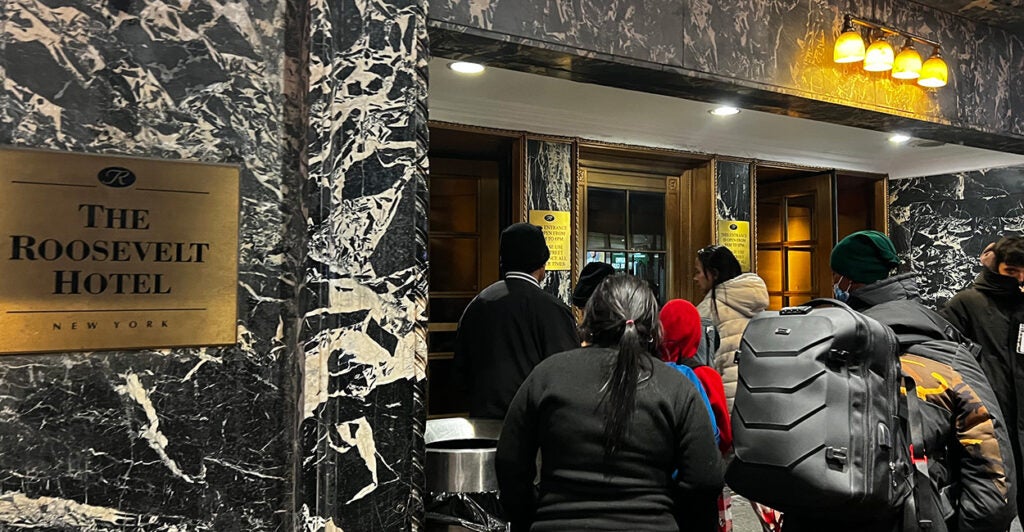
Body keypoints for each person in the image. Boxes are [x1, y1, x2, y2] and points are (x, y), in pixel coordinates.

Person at [781, 230, 1014, 531]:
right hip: (912, 515)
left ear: (849, 281)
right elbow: (992, 468)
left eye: (837, 276)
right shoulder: (944, 352)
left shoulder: (824, 344)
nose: (835, 285)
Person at [496, 274, 724, 532]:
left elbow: (510, 463)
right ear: (651, 327)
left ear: (590, 319)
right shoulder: (677, 386)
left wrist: (530, 517)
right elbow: (705, 479)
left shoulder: (547, 375)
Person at [453, 222, 579, 419]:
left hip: (482, 420)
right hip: (531, 426)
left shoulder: (478, 303)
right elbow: (567, 374)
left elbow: (460, 370)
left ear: (503, 260)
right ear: (542, 263)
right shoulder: (553, 309)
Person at [941, 235, 1024, 525]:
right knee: (994, 504)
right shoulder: (966, 303)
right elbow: (946, 358)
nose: (1020, 278)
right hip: (986, 418)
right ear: (996, 266)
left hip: (1021, 414)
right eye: (1011, 271)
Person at [694, 244, 769, 410]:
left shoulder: (707, 311)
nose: (696, 278)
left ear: (714, 274)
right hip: (760, 394)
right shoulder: (753, 301)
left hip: (724, 400)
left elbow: (702, 365)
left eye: (699, 272)